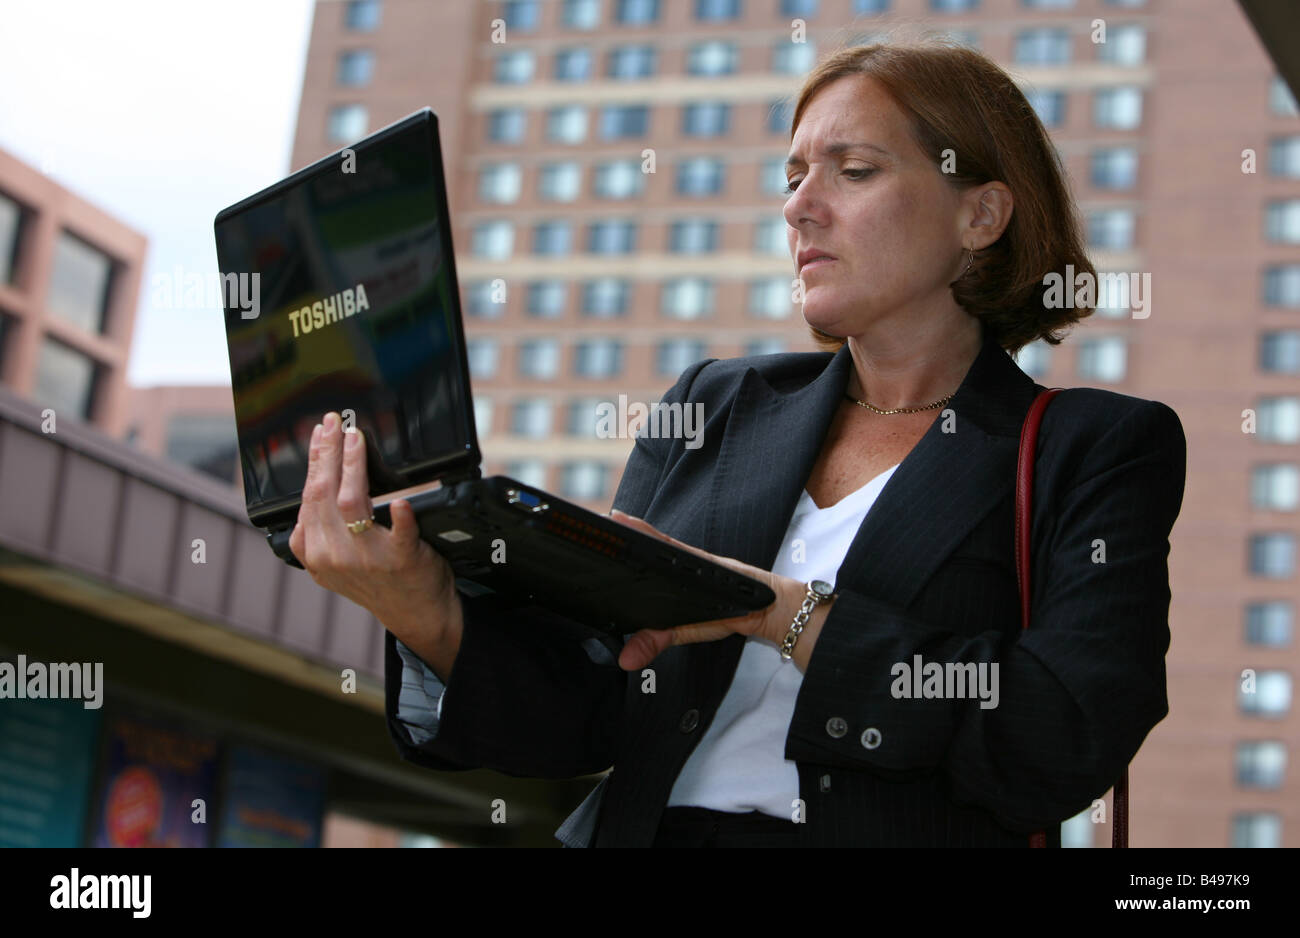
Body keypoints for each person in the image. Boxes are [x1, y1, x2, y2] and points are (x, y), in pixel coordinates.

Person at [289, 39, 1186, 847]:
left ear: (981, 215)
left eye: (854, 171)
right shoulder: (715, 404)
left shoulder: (1096, 447)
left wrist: (777, 612)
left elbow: (1061, 733)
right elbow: (591, 712)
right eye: (793, 176)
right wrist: (427, 613)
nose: (801, 208)